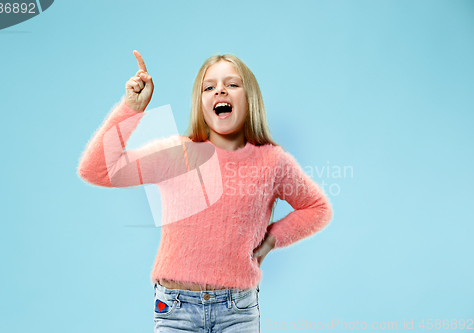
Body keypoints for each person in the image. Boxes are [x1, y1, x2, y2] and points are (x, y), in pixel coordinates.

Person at [77, 50, 333, 332]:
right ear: (200, 103)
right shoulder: (177, 153)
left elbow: (317, 208)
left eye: (232, 84)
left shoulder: (272, 161)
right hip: (175, 309)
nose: (220, 90)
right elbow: (96, 170)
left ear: (250, 98)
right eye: (209, 87)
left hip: (238, 310)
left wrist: (271, 239)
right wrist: (131, 108)